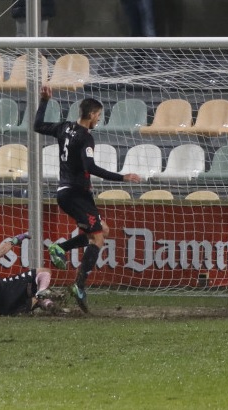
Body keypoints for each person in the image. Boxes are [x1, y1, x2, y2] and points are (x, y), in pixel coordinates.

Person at [34, 86, 142, 313]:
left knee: (104, 230)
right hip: (76, 193)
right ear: (92, 114)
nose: (98, 120)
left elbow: (38, 126)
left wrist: (44, 101)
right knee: (98, 239)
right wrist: (123, 177)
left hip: (68, 193)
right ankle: (79, 285)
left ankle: (61, 248)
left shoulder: (64, 127)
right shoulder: (85, 138)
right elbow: (90, 167)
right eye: (99, 116)